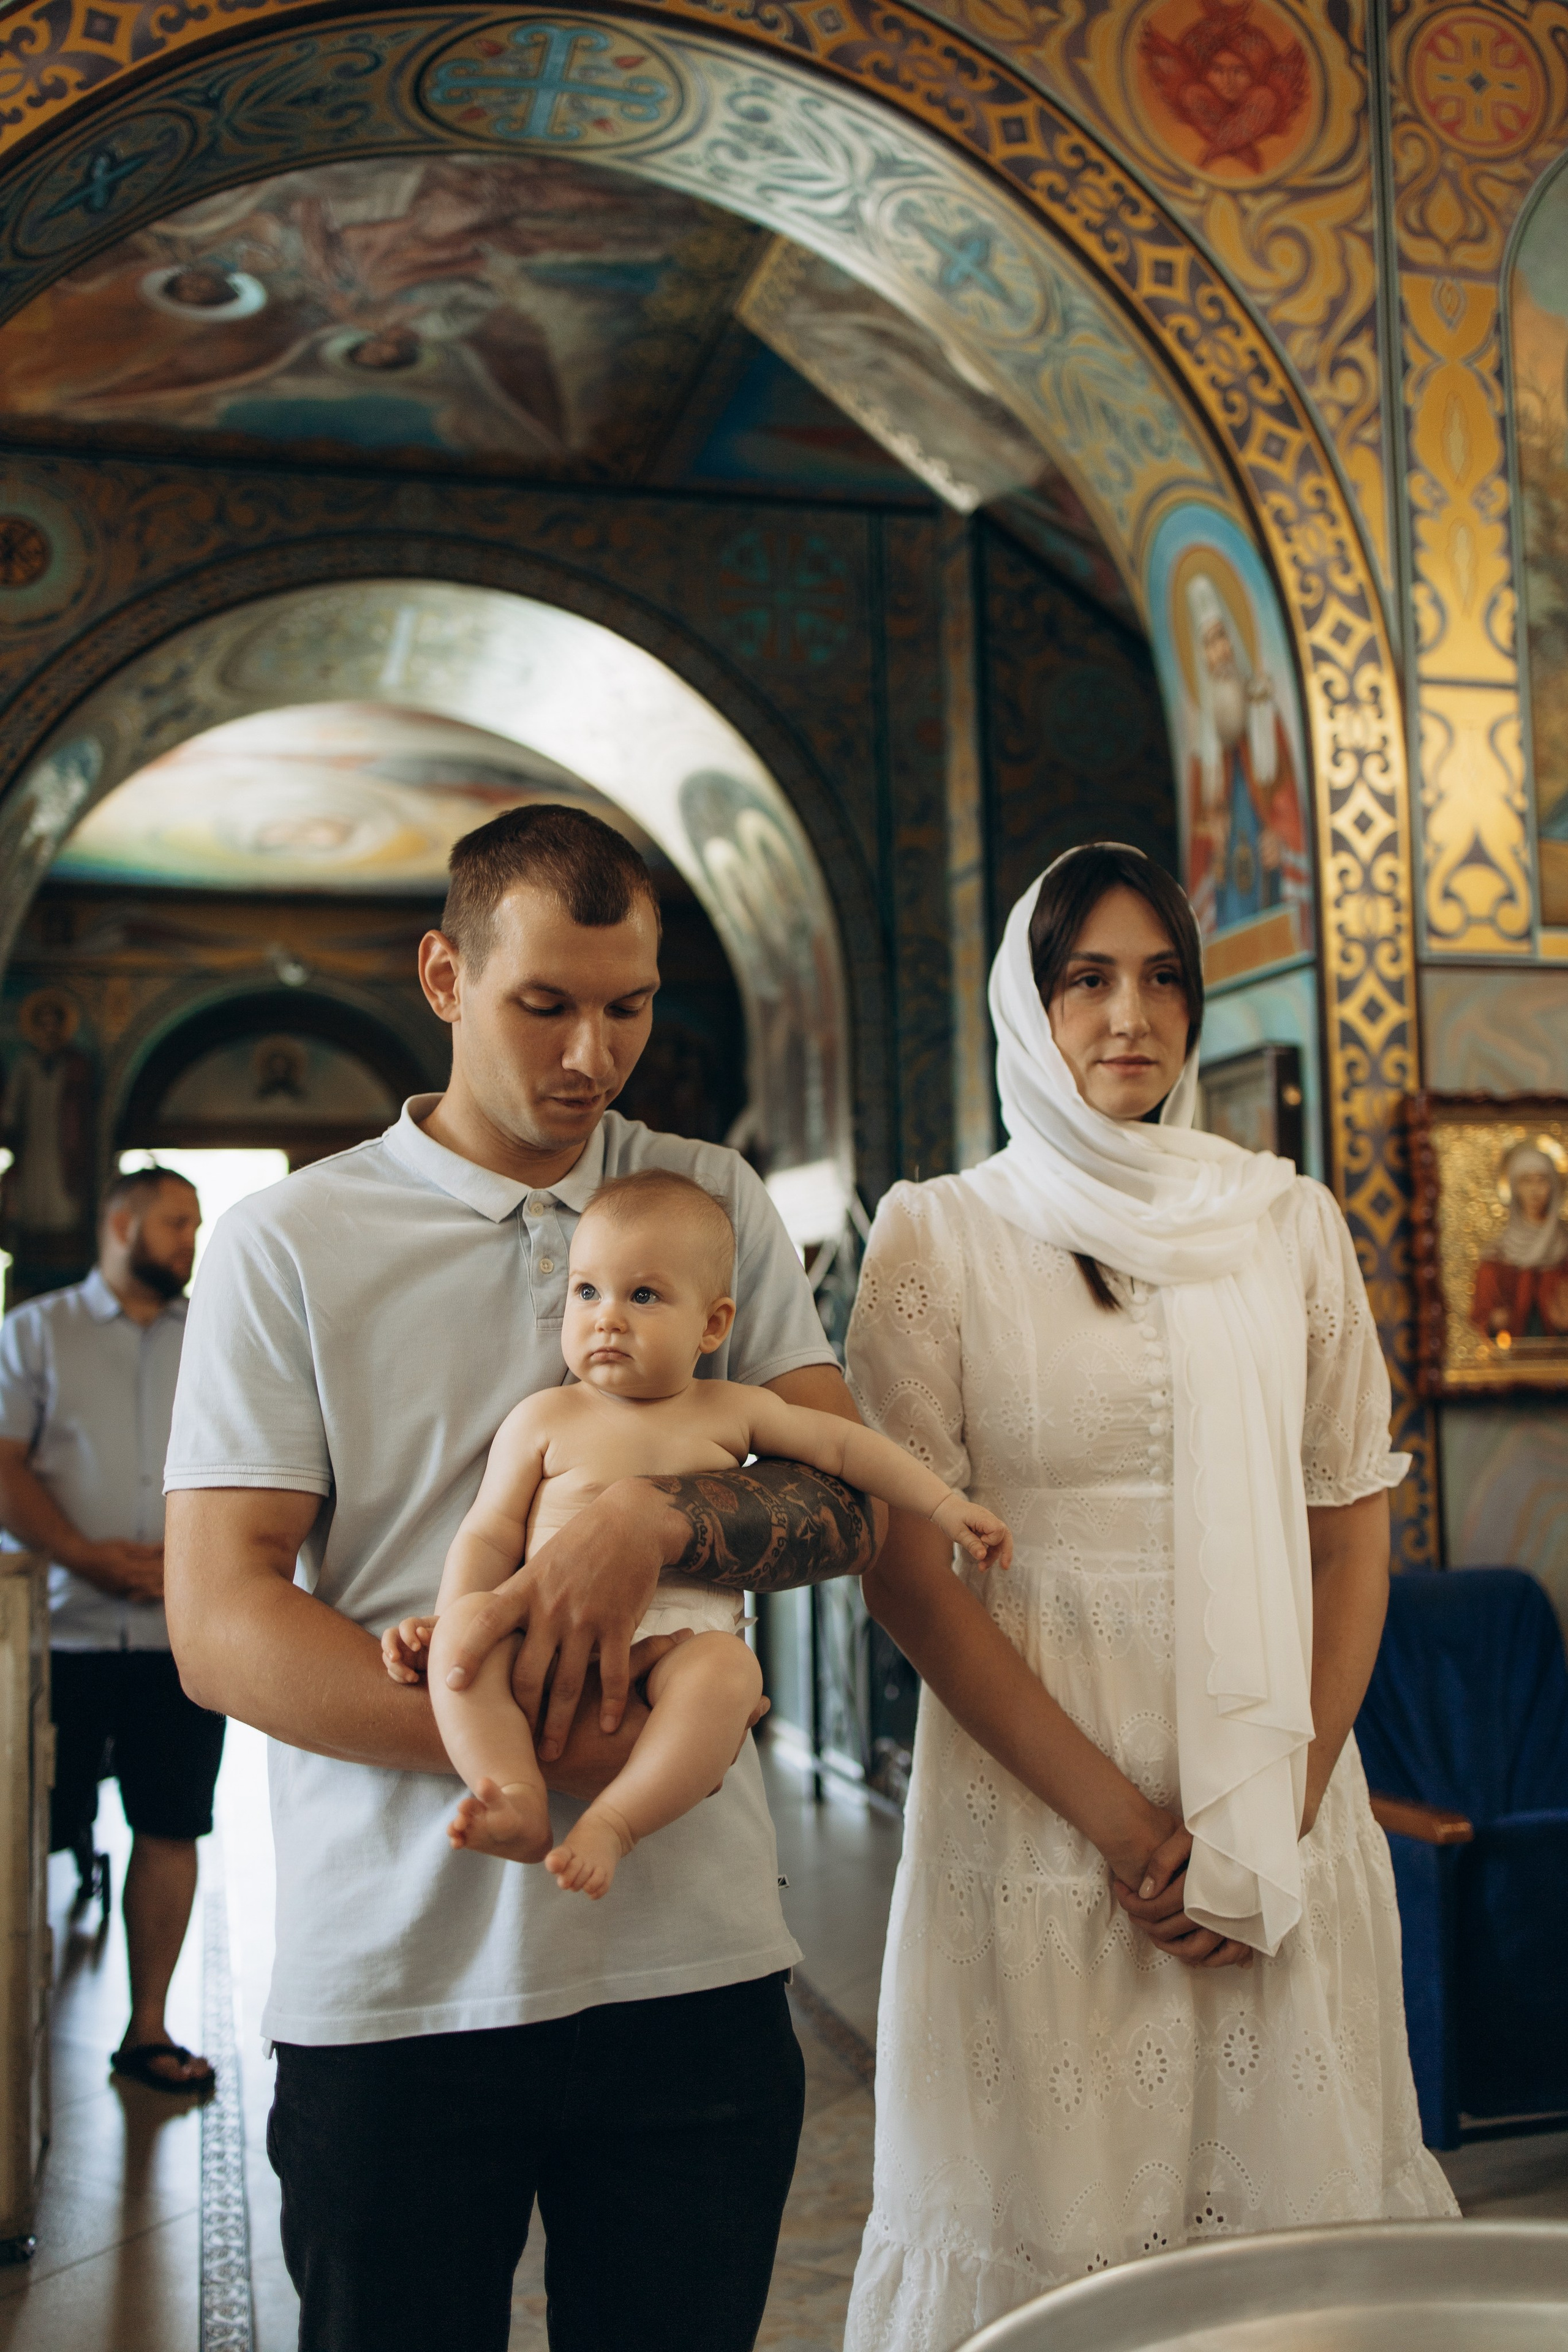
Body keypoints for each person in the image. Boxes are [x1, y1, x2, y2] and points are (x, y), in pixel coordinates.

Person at [162, 804, 881, 2352]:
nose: (589, 1054)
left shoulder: (708, 1197)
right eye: (542, 1002)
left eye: (626, 1006)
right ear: (443, 970)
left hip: (691, 1958)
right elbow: (220, 1617)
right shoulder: (289, 1241)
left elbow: (843, 1496)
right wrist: (526, 1743)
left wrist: (666, 1527)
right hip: (398, 1978)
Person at [842, 843, 1457, 2351]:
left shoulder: (1281, 1219)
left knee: (1290, 2242)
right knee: (1060, 2223)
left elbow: (1345, 1529)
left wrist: (1282, 1809)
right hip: (1041, 1802)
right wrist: (1124, 1827)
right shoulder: (937, 1233)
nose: (1130, 1013)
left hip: (1273, 1793)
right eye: (1086, 978)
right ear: (1026, 1004)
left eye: (1162, 976)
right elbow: (905, 1570)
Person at [385, 1167, 1007, 1893]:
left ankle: (614, 1823)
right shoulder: (542, 1419)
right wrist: (454, 1611)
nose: (607, 1317)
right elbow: (489, 1534)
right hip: (544, 1639)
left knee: (731, 1675)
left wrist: (940, 1504)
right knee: (460, 1645)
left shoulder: (727, 1407)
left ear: (712, 1325)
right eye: (587, 1292)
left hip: (675, 1651)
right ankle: (515, 1795)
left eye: (642, 1295)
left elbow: (844, 1450)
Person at [0, 1165, 220, 2095]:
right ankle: (16, 2035)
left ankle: (147, 2027)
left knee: (170, 1825)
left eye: (197, 1226)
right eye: (176, 1223)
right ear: (121, 1221)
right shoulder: (34, 1333)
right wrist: (84, 1554)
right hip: (62, 1633)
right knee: (28, 1830)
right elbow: (4, 1463)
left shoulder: (213, 1334)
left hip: (182, 1637)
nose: (190, 1241)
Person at [1469, 1140, 1568, 1343]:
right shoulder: (1496, 1257)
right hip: (1512, 1363)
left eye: (1542, 1180)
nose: (1535, 1190)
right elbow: (1482, 1317)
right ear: (1514, 1187)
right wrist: (1495, 1321)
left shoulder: (1564, 1249)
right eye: (1526, 1181)